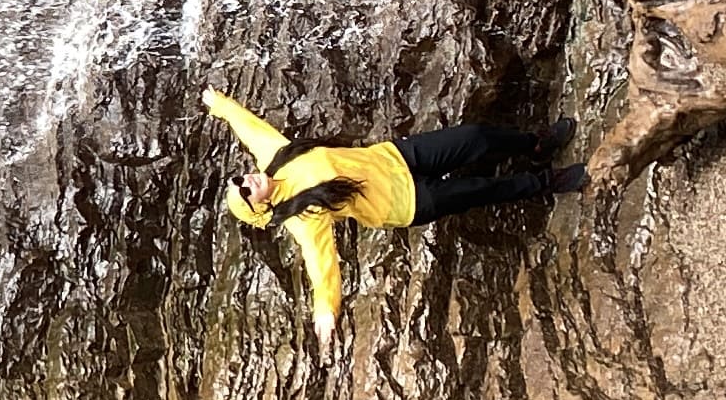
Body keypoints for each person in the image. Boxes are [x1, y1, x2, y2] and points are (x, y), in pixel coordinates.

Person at [202, 90, 586, 346]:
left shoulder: (276, 156)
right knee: (483, 189)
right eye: (246, 190)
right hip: (407, 202)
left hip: (396, 157)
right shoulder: (303, 217)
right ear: (261, 208)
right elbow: (321, 263)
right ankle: (546, 181)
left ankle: (536, 144)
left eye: (241, 179)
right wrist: (326, 309)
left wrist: (219, 105)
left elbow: (249, 127)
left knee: (475, 136)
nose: (248, 180)